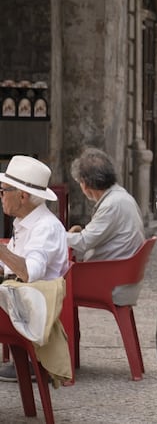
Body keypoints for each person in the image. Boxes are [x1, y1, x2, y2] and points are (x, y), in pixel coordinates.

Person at [0, 155, 70, 381]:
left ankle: (28, 363)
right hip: (17, 300)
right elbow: (6, 267)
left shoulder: (45, 227)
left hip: (29, 309)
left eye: (3, 191)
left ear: (22, 196)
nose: (1, 197)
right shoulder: (25, 222)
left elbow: (29, 272)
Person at [67, 147, 146, 305]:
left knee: (54, 286)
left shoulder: (112, 204)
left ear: (85, 184)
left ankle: (63, 330)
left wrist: (52, 234)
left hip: (114, 283)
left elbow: (83, 243)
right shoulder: (120, 196)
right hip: (122, 279)